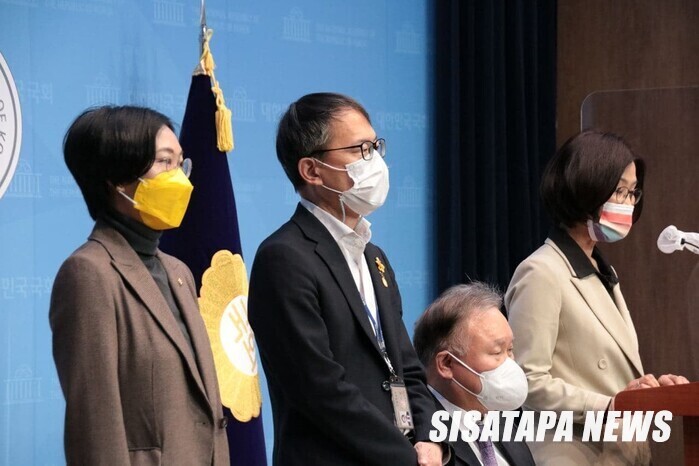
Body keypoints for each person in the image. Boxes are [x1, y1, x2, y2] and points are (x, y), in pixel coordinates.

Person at [248, 93, 445, 466]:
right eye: (359, 150)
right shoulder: (284, 257)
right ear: (312, 170)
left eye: (375, 147)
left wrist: (430, 439)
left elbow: (408, 369)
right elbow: (319, 388)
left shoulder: (374, 256)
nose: (375, 162)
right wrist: (404, 456)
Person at [50, 106, 229, 464]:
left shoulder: (177, 271)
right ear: (117, 179)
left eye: (180, 163)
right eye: (164, 162)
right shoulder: (89, 273)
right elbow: (95, 426)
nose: (180, 178)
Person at [505, 130, 689, 465]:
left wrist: (656, 391)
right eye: (619, 191)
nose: (628, 203)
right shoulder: (541, 272)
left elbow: (611, 374)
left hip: (618, 450)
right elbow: (526, 382)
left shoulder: (603, 270)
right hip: (573, 453)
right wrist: (610, 405)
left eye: (633, 193)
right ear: (585, 185)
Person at [414, 282, 535, 466]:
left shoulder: (503, 425)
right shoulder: (421, 439)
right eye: (496, 352)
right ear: (446, 363)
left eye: (510, 350)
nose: (509, 363)